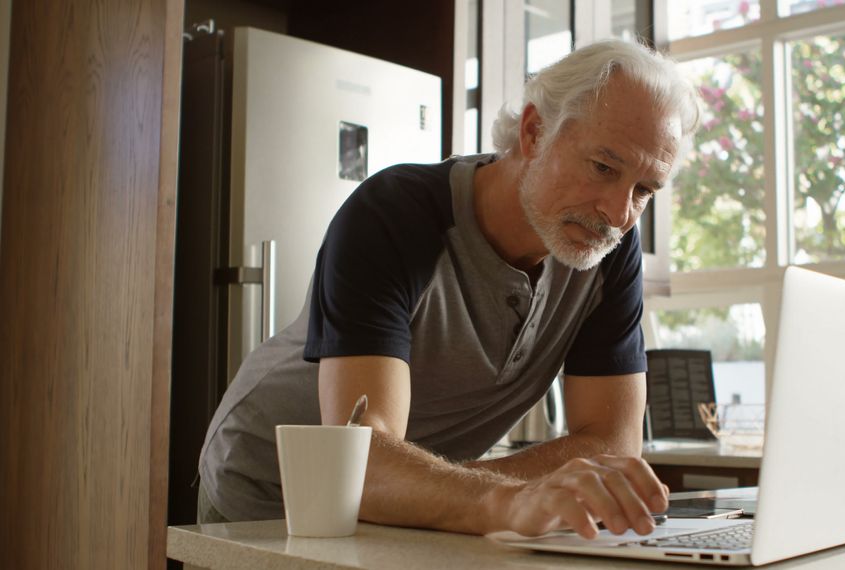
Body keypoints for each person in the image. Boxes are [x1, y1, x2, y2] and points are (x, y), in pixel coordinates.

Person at [197, 38, 700, 539]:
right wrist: (502, 498)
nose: (618, 213)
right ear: (534, 131)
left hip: (416, 504)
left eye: (644, 190)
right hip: (269, 495)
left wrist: (458, 492)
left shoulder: (608, 250)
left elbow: (612, 445)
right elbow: (361, 464)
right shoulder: (395, 213)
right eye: (604, 168)